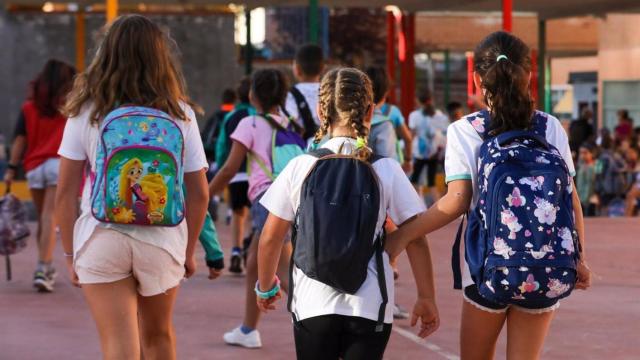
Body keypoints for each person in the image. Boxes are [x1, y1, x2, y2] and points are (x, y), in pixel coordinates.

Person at [386, 31, 592, 360]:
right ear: (529, 74)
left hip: (487, 267)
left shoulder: (464, 130)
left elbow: (456, 201)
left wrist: (401, 237)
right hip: (545, 266)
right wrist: (577, 258)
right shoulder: (550, 127)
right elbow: (571, 200)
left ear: (477, 78)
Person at [255, 67, 439, 360]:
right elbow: (415, 237)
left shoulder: (300, 167)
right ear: (370, 111)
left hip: (312, 305)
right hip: (370, 305)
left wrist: (266, 288)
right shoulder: (385, 169)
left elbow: (269, 239)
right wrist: (426, 297)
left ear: (320, 111)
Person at [55, 15, 209, 359]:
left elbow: (64, 193)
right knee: (158, 338)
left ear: (105, 55)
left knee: (118, 345)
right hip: (161, 237)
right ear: (160, 58)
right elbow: (199, 193)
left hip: (101, 235)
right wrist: (187, 251)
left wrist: (70, 253)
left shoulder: (86, 112)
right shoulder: (180, 113)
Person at [209, 68, 304, 348]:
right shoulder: (290, 123)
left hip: (269, 201)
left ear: (252, 94)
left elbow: (228, 169)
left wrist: (205, 195)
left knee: (287, 273)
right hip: (292, 197)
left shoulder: (249, 124)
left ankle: (319, 321)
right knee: (255, 263)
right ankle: (249, 329)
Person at [4, 59, 76, 292]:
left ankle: (45, 266)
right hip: (59, 164)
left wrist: (12, 168)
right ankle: (43, 268)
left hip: (34, 167)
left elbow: (20, 139)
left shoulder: (29, 107)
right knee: (49, 218)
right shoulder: (71, 106)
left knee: (45, 220)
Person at [215, 77, 254, 274]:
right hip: (258, 176)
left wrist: (223, 167)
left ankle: (236, 250)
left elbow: (222, 144)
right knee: (254, 215)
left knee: (238, 214)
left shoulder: (231, 116)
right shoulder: (260, 116)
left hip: (237, 173)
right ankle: (250, 244)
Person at [365, 66, 413, 172]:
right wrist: (408, 160)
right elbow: (408, 138)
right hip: (384, 172)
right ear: (386, 91)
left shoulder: (354, 114)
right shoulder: (393, 112)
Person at [408, 89, 449, 203]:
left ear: (418, 101)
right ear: (431, 100)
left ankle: (418, 204)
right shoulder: (441, 116)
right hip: (434, 153)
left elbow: (411, 135)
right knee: (431, 183)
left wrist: (408, 153)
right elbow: (445, 135)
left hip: (419, 153)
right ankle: (439, 207)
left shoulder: (414, 115)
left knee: (414, 180)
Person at [284, 43, 324, 141]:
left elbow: (288, 121)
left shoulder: (291, 94)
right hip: (330, 148)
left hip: (303, 149)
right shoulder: (330, 91)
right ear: (322, 68)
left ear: (297, 69)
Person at [202, 88, 237, 163]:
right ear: (235, 100)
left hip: (214, 158)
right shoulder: (237, 117)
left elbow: (207, 140)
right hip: (232, 160)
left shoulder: (216, 116)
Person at [576, 144, 598, 216]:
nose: (582, 155)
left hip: (588, 200)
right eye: (581, 153)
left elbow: (590, 184)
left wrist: (586, 199)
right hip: (581, 198)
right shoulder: (581, 166)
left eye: (585, 153)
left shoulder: (592, 167)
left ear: (591, 154)